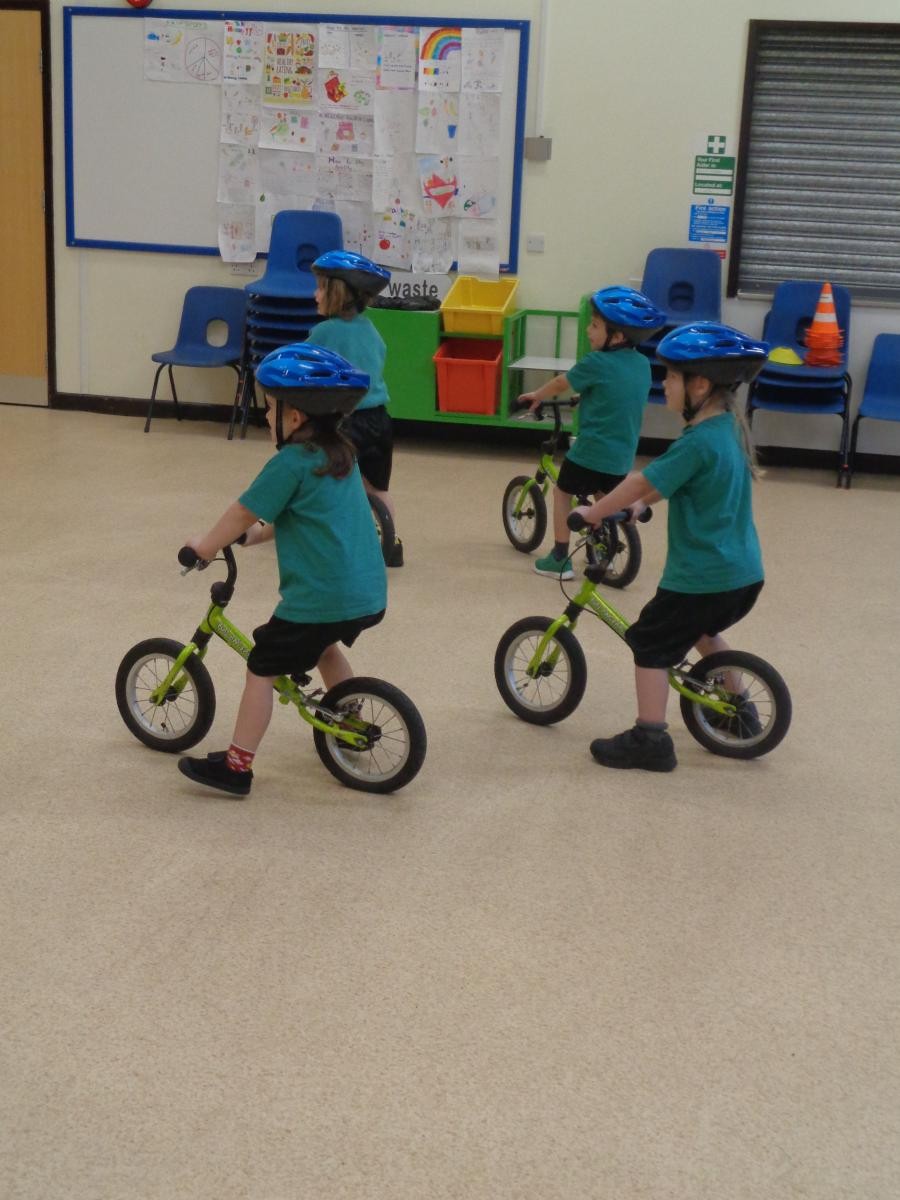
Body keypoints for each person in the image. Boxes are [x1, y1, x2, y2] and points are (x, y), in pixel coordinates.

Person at [177, 343, 387, 798]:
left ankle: (236, 768)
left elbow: (242, 511)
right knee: (324, 646)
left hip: (320, 598)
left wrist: (204, 548)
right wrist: (253, 538)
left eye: (271, 407)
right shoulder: (341, 455)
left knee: (262, 666)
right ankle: (350, 722)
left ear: (293, 418)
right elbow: (303, 513)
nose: (265, 415)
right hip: (366, 593)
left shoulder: (289, 463)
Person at [570, 322, 770, 773]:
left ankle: (650, 738)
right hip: (741, 575)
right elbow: (671, 483)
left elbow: (641, 479)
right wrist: (643, 504)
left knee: (650, 642)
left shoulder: (696, 442)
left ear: (700, 385)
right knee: (702, 632)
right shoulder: (728, 429)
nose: (665, 385)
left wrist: (594, 512)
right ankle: (739, 709)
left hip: (699, 578)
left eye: (673, 377)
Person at [518, 286, 667, 579]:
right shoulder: (641, 364)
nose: (588, 330)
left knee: (562, 492)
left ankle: (560, 558)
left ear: (618, 336)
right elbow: (618, 393)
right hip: (622, 455)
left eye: (595, 325)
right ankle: (604, 554)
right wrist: (586, 397)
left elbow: (561, 383)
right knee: (603, 497)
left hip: (591, 452)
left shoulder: (596, 362)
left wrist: (537, 395)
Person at [306, 250, 405, 567]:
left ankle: (334, 539)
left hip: (345, 422)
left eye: (320, 288)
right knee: (378, 487)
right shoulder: (370, 329)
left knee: (332, 480)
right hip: (380, 420)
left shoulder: (324, 333)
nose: (314, 294)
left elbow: (305, 370)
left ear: (335, 293)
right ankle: (392, 543)